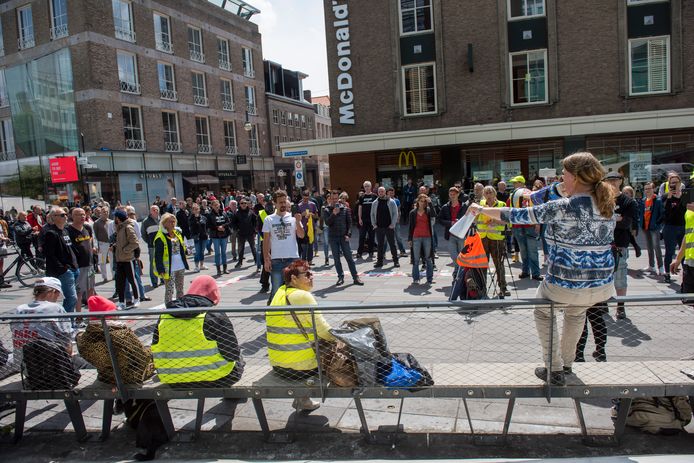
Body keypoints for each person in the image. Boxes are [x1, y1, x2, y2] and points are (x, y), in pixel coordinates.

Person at [468, 152, 616, 386]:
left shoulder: (563, 206)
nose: (561, 179)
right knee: (576, 313)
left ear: (576, 178)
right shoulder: (606, 204)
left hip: (566, 281)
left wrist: (482, 209)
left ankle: (554, 368)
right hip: (602, 284)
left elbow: (518, 215)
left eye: (564, 175)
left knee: (543, 311)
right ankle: (567, 365)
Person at [267, 260, 335, 413]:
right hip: (300, 368)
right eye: (307, 274)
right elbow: (324, 331)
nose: (311, 277)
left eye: (311, 273)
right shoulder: (302, 296)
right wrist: (344, 340)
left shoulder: (280, 292)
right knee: (340, 358)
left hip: (278, 365)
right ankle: (303, 398)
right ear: (294, 279)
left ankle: (302, 399)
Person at [152, 275, 244, 387]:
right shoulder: (214, 315)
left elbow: (155, 347)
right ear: (213, 292)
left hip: (174, 380)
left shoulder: (164, 316)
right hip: (218, 379)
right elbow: (231, 353)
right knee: (239, 357)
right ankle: (232, 397)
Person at [76, 295, 154, 385]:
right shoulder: (122, 334)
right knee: (155, 355)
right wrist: (151, 351)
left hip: (105, 376)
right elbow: (142, 356)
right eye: (114, 311)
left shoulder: (85, 338)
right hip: (130, 376)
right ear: (109, 316)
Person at [10, 277, 74, 371]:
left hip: (24, 365)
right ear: (53, 291)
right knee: (81, 361)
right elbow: (66, 338)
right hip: (50, 364)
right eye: (57, 293)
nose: (58, 297)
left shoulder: (20, 309)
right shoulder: (55, 308)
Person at [604, 171, 637, 319]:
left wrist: (609, 219)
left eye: (614, 180)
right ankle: (602, 304)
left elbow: (625, 223)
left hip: (620, 244)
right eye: (608, 180)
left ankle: (621, 306)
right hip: (602, 244)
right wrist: (616, 218)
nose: (611, 183)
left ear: (621, 181)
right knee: (603, 277)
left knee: (620, 277)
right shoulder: (601, 199)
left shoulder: (628, 202)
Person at [262, 190, 305, 299]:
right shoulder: (269, 219)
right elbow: (266, 240)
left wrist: (298, 221)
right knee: (276, 291)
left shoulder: (293, 217)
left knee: (295, 290)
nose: (283, 204)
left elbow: (301, 235)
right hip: (277, 260)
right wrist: (266, 258)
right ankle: (273, 311)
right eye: (280, 202)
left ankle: (292, 313)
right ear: (275, 203)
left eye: (284, 202)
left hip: (293, 259)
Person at [43, 206, 79, 315]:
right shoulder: (51, 233)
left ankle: (69, 322)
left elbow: (69, 248)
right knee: (71, 298)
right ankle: (66, 323)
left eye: (66, 214)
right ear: (54, 217)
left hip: (72, 268)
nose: (66, 216)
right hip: (64, 271)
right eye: (62, 215)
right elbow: (49, 254)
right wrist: (63, 269)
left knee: (72, 298)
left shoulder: (65, 231)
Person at [325, 190, 363, 286]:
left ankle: (355, 277)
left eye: (336, 198)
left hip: (343, 237)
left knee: (349, 258)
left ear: (339, 198)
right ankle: (340, 277)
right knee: (337, 259)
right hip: (333, 238)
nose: (334, 200)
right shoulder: (326, 209)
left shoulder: (345, 209)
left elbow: (350, 223)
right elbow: (327, 223)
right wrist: (333, 214)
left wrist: (348, 234)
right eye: (332, 199)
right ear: (330, 199)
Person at [477, 186, 509, 298]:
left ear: (495, 193)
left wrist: (495, 221)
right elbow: (474, 218)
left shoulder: (502, 205)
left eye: (490, 192)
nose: (488, 195)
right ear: (484, 195)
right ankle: (482, 289)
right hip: (483, 238)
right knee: (482, 265)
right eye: (486, 193)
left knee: (499, 265)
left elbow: (507, 221)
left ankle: (503, 288)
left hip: (497, 239)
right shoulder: (480, 204)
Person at [67, 208, 96, 319]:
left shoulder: (87, 228)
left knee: (90, 291)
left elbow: (90, 241)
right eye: (79, 215)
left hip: (89, 265)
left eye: (83, 214)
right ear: (73, 216)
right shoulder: (69, 230)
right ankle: (79, 317)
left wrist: (93, 248)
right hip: (79, 266)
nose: (82, 217)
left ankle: (92, 316)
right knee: (79, 293)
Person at [154, 213, 189, 304]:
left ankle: (180, 306)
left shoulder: (177, 233)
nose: (173, 224)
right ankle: (168, 308)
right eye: (170, 222)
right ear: (164, 223)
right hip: (169, 268)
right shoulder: (160, 237)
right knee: (169, 289)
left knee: (180, 288)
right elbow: (157, 255)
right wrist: (160, 268)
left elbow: (182, 247)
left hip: (180, 265)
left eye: (174, 222)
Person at [660, 173, 687, 284]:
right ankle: (667, 273)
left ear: (680, 183)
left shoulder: (685, 195)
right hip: (670, 227)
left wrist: (680, 197)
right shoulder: (666, 196)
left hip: (682, 226)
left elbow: (685, 210)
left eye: (676, 182)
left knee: (683, 251)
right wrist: (670, 198)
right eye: (672, 183)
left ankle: (686, 273)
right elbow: (665, 213)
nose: (674, 185)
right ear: (669, 184)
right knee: (669, 252)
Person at [438, 186, 469, 280]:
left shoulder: (464, 206)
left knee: (461, 255)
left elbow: (467, 219)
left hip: (461, 235)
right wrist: (450, 222)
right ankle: (460, 270)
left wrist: (459, 221)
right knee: (453, 255)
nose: (452, 196)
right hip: (451, 234)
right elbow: (440, 220)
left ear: (458, 195)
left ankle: (457, 275)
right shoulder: (445, 207)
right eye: (450, 194)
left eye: (454, 194)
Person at [113, 209, 140, 309]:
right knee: (120, 282)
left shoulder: (128, 227)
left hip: (128, 260)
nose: (114, 219)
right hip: (120, 260)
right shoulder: (120, 227)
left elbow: (135, 242)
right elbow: (122, 242)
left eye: (115, 217)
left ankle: (137, 299)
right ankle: (121, 302)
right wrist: (116, 247)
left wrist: (125, 250)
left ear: (118, 218)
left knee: (132, 280)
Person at [408, 193, 435, 284]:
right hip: (416, 237)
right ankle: (416, 278)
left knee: (428, 258)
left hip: (427, 237)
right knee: (416, 259)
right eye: (421, 201)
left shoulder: (428, 210)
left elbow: (434, 214)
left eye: (424, 201)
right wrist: (409, 239)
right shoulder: (412, 212)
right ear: (418, 201)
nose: (422, 203)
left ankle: (429, 279)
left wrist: (430, 203)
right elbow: (410, 227)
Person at [370, 186, 400, 268]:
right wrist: (374, 225)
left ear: (385, 192)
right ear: (378, 193)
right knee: (380, 245)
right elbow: (372, 214)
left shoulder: (391, 202)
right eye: (379, 192)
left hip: (389, 227)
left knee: (392, 244)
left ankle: (396, 261)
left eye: (382, 191)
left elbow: (395, 213)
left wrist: (393, 224)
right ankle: (379, 262)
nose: (381, 193)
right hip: (379, 227)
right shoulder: (375, 203)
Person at [670, 201, 694, 297]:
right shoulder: (689, 208)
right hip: (690, 261)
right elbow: (688, 234)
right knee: (688, 299)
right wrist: (678, 258)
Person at [641, 182, 664, 275]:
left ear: (653, 189)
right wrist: (640, 223)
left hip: (654, 228)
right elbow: (641, 213)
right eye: (646, 189)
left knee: (656, 246)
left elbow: (662, 214)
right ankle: (651, 266)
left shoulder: (658, 200)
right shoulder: (643, 200)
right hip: (645, 227)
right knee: (649, 247)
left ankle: (661, 267)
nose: (647, 190)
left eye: (649, 188)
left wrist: (657, 224)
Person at [231, 197, 257, 268]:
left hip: (250, 233)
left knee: (253, 248)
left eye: (245, 203)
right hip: (241, 233)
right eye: (242, 203)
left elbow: (255, 221)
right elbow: (233, 223)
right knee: (241, 248)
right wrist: (237, 229)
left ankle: (256, 260)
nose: (243, 204)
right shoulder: (237, 213)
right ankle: (240, 262)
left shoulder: (251, 212)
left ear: (247, 204)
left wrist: (254, 230)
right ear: (240, 204)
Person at [207, 199, 230, 276]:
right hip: (215, 236)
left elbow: (228, 222)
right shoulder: (210, 215)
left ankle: (225, 268)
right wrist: (217, 227)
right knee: (217, 253)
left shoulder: (223, 212)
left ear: (219, 205)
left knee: (224, 252)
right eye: (214, 205)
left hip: (224, 235)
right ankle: (218, 269)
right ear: (212, 206)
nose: (216, 206)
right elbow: (209, 225)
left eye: (217, 205)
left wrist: (223, 226)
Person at [141, 205, 161, 289]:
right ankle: (154, 282)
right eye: (153, 210)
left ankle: (162, 279)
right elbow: (143, 235)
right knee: (153, 264)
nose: (155, 211)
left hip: (161, 245)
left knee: (161, 262)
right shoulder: (146, 221)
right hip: (152, 246)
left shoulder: (161, 219)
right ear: (150, 211)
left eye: (157, 210)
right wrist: (149, 242)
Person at [357, 181, 377, 259]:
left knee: (371, 237)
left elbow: (376, 208)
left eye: (368, 186)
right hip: (363, 220)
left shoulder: (375, 196)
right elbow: (360, 208)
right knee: (362, 236)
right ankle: (359, 252)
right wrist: (359, 218)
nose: (367, 187)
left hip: (372, 220)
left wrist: (376, 220)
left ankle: (371, 252)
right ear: (364, 187)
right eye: (365, 186)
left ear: (371, 186)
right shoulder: (362, 197)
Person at [297, 191, 319, 264]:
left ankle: (310, 260)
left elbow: (317, 216)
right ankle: (303, 261)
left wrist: (312, 214)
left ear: (309, 197)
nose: (305, 200)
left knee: (310, 244)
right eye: (304, 198)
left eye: (307, 198)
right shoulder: (299, 205)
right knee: (303, 246)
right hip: (303, 228)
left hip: (311, 227)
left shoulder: (312, 204)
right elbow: (296, 218)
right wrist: (302, 215)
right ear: (302, 197)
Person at [93, 207, 113, 282]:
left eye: (107, 212)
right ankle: (104, 277)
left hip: (110, 243)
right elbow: (95, 235)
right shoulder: (97, 223)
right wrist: (96, 245)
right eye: (104, 212)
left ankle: (114, 275)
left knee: (112, 259)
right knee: (102, 261)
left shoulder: (111, 222)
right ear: (101, 213)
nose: (106, 213)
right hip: (101, 244)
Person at [189, 203, 209, 272]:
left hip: (203, 237)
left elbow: (206, 226)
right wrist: (195, 218)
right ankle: (196, 266)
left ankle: (202, 265)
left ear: (199, 209)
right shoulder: (191, 218)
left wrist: (207, 234)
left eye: (197, 209)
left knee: (202, 251)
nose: (196, 211)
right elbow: (192, 227)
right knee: (197, 252)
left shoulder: (203, 217)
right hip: (196, 238)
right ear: (192, 211)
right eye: (194, 209)